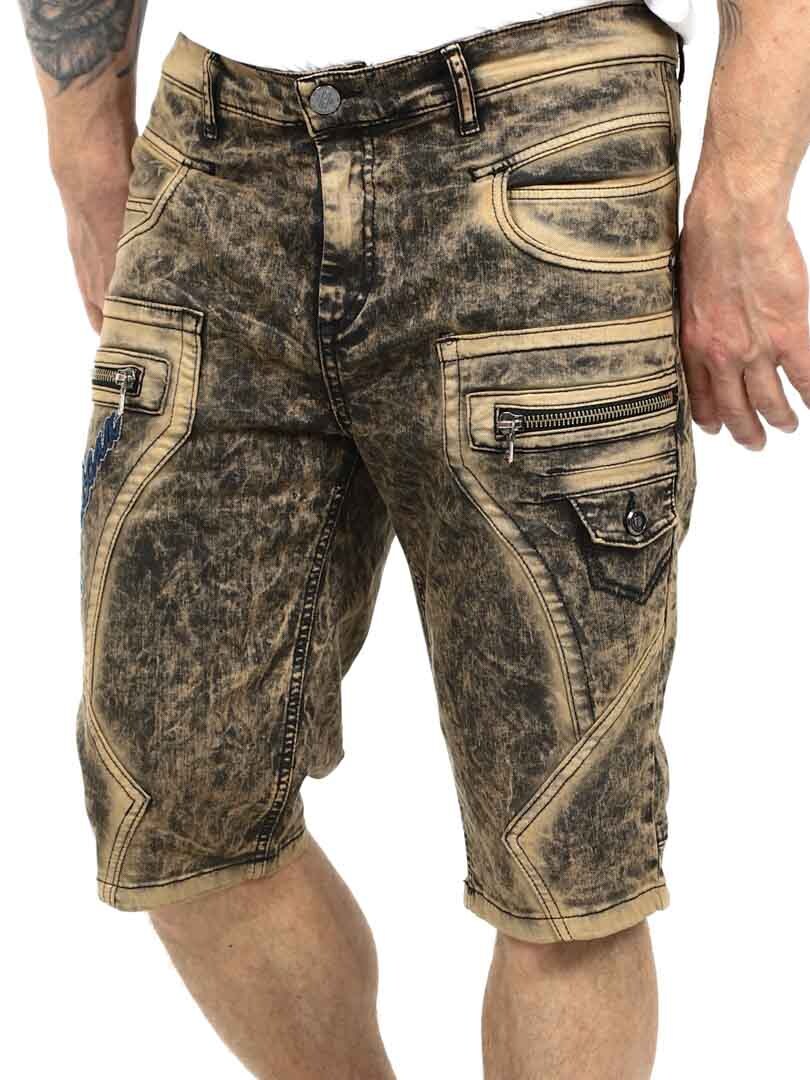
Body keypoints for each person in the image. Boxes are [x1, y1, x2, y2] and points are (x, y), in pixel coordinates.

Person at [20, 1, 809, 1077]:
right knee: (168, 801)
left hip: (545, 127)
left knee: (561, 853)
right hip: (216, 141)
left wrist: (746, 196)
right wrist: (80, 145)